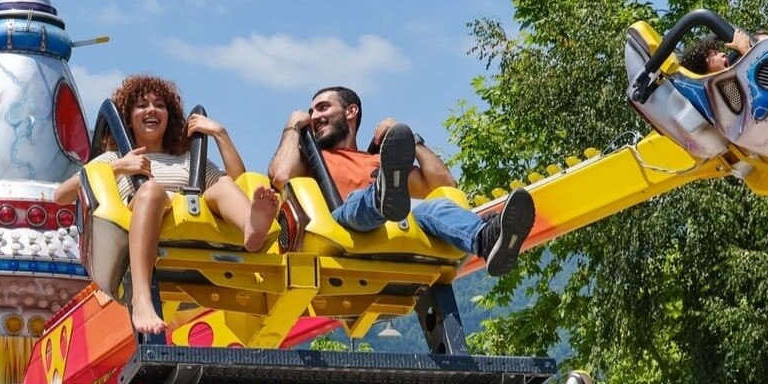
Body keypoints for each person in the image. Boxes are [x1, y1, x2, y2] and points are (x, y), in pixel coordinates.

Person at [55, 75, 279, 334]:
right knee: (152, 190)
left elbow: (239, 180)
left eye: (159, 105)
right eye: (142, 105)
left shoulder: (189, 161)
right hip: (147, 210)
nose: (151, 109)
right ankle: (141, 297)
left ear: (169, 115)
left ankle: (251, 228)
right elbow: (62, 195)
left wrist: (220, 133)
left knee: (225, 184)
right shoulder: (114, 158)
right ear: (129, 118)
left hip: (195, 216)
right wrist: (119, 167)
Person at [268, 86, 535, 277]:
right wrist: (292, 127)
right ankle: (378, 198)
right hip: (339, 227)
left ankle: (485, 238)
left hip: (389, 228)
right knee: (356, 201)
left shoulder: (379, 162)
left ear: (351, 111)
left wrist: (413, 143)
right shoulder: (311, 160)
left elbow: (442, 184)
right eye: (311, 111)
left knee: (433, 208)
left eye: (323, 107)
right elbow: (280, 177)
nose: (314, 116)